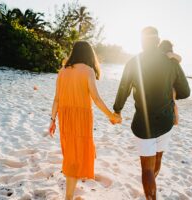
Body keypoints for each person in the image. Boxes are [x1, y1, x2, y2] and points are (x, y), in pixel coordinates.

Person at [112, 27, 190, 200]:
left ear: (141, 42)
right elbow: (185, 92)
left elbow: (123, 89)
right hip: (165, 122)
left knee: (146, 168)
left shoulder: (134, 62)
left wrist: (117, 109)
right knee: (157, 159)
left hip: (143, 123)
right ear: (157, 41)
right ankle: (150, 188)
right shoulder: (171, 63)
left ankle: (150, 192)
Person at [48, 41, 121, 200]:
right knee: (76, 155)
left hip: (65, 117)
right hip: (82, 117)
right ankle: (68, 196)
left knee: (72, 154)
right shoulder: (88, 70)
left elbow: (56, 99)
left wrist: (52, 120)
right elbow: (95, 98)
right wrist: (111, 115)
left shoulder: (62, 71)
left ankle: (70, 193)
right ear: (89, 54)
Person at [159, 40, 182, 125]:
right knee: (172, 102)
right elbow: (180, 59)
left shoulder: (162, 56)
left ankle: (174, 120)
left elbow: (180, 58)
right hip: (170, 84)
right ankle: (175, 120)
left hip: (162, 83)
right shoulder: (171, 57)